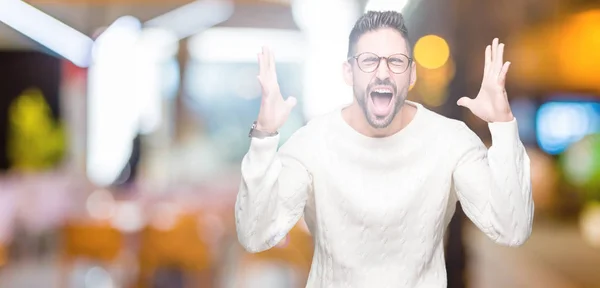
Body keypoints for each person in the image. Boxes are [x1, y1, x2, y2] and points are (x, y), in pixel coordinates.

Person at [235, 10, 534, 288]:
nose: (382, 72)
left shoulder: (450, 140)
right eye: (369, 60)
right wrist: (263, 136)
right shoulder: (312, 143)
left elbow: (511, 229)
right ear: (348, 72)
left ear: (411, 74)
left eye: (396, 61)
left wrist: (503, 124)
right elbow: (254, 235)